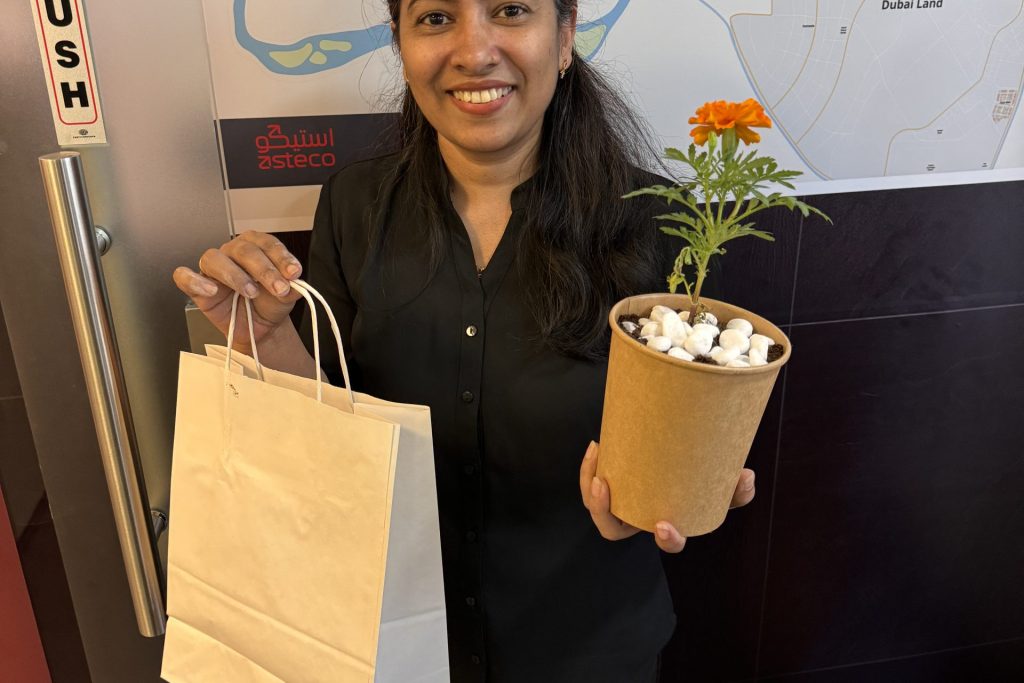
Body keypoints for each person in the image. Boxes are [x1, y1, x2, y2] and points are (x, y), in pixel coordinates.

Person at [173, 1, 756, 681]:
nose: (474, 50)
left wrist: (673, 490)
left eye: (510, 10)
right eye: (435, 18)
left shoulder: (658, 223)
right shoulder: (354, 206)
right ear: (400, 42)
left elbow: (689, 442)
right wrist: (269, 340)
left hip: (585, 649)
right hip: (387, 645)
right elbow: (326, 433)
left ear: (564, 38)